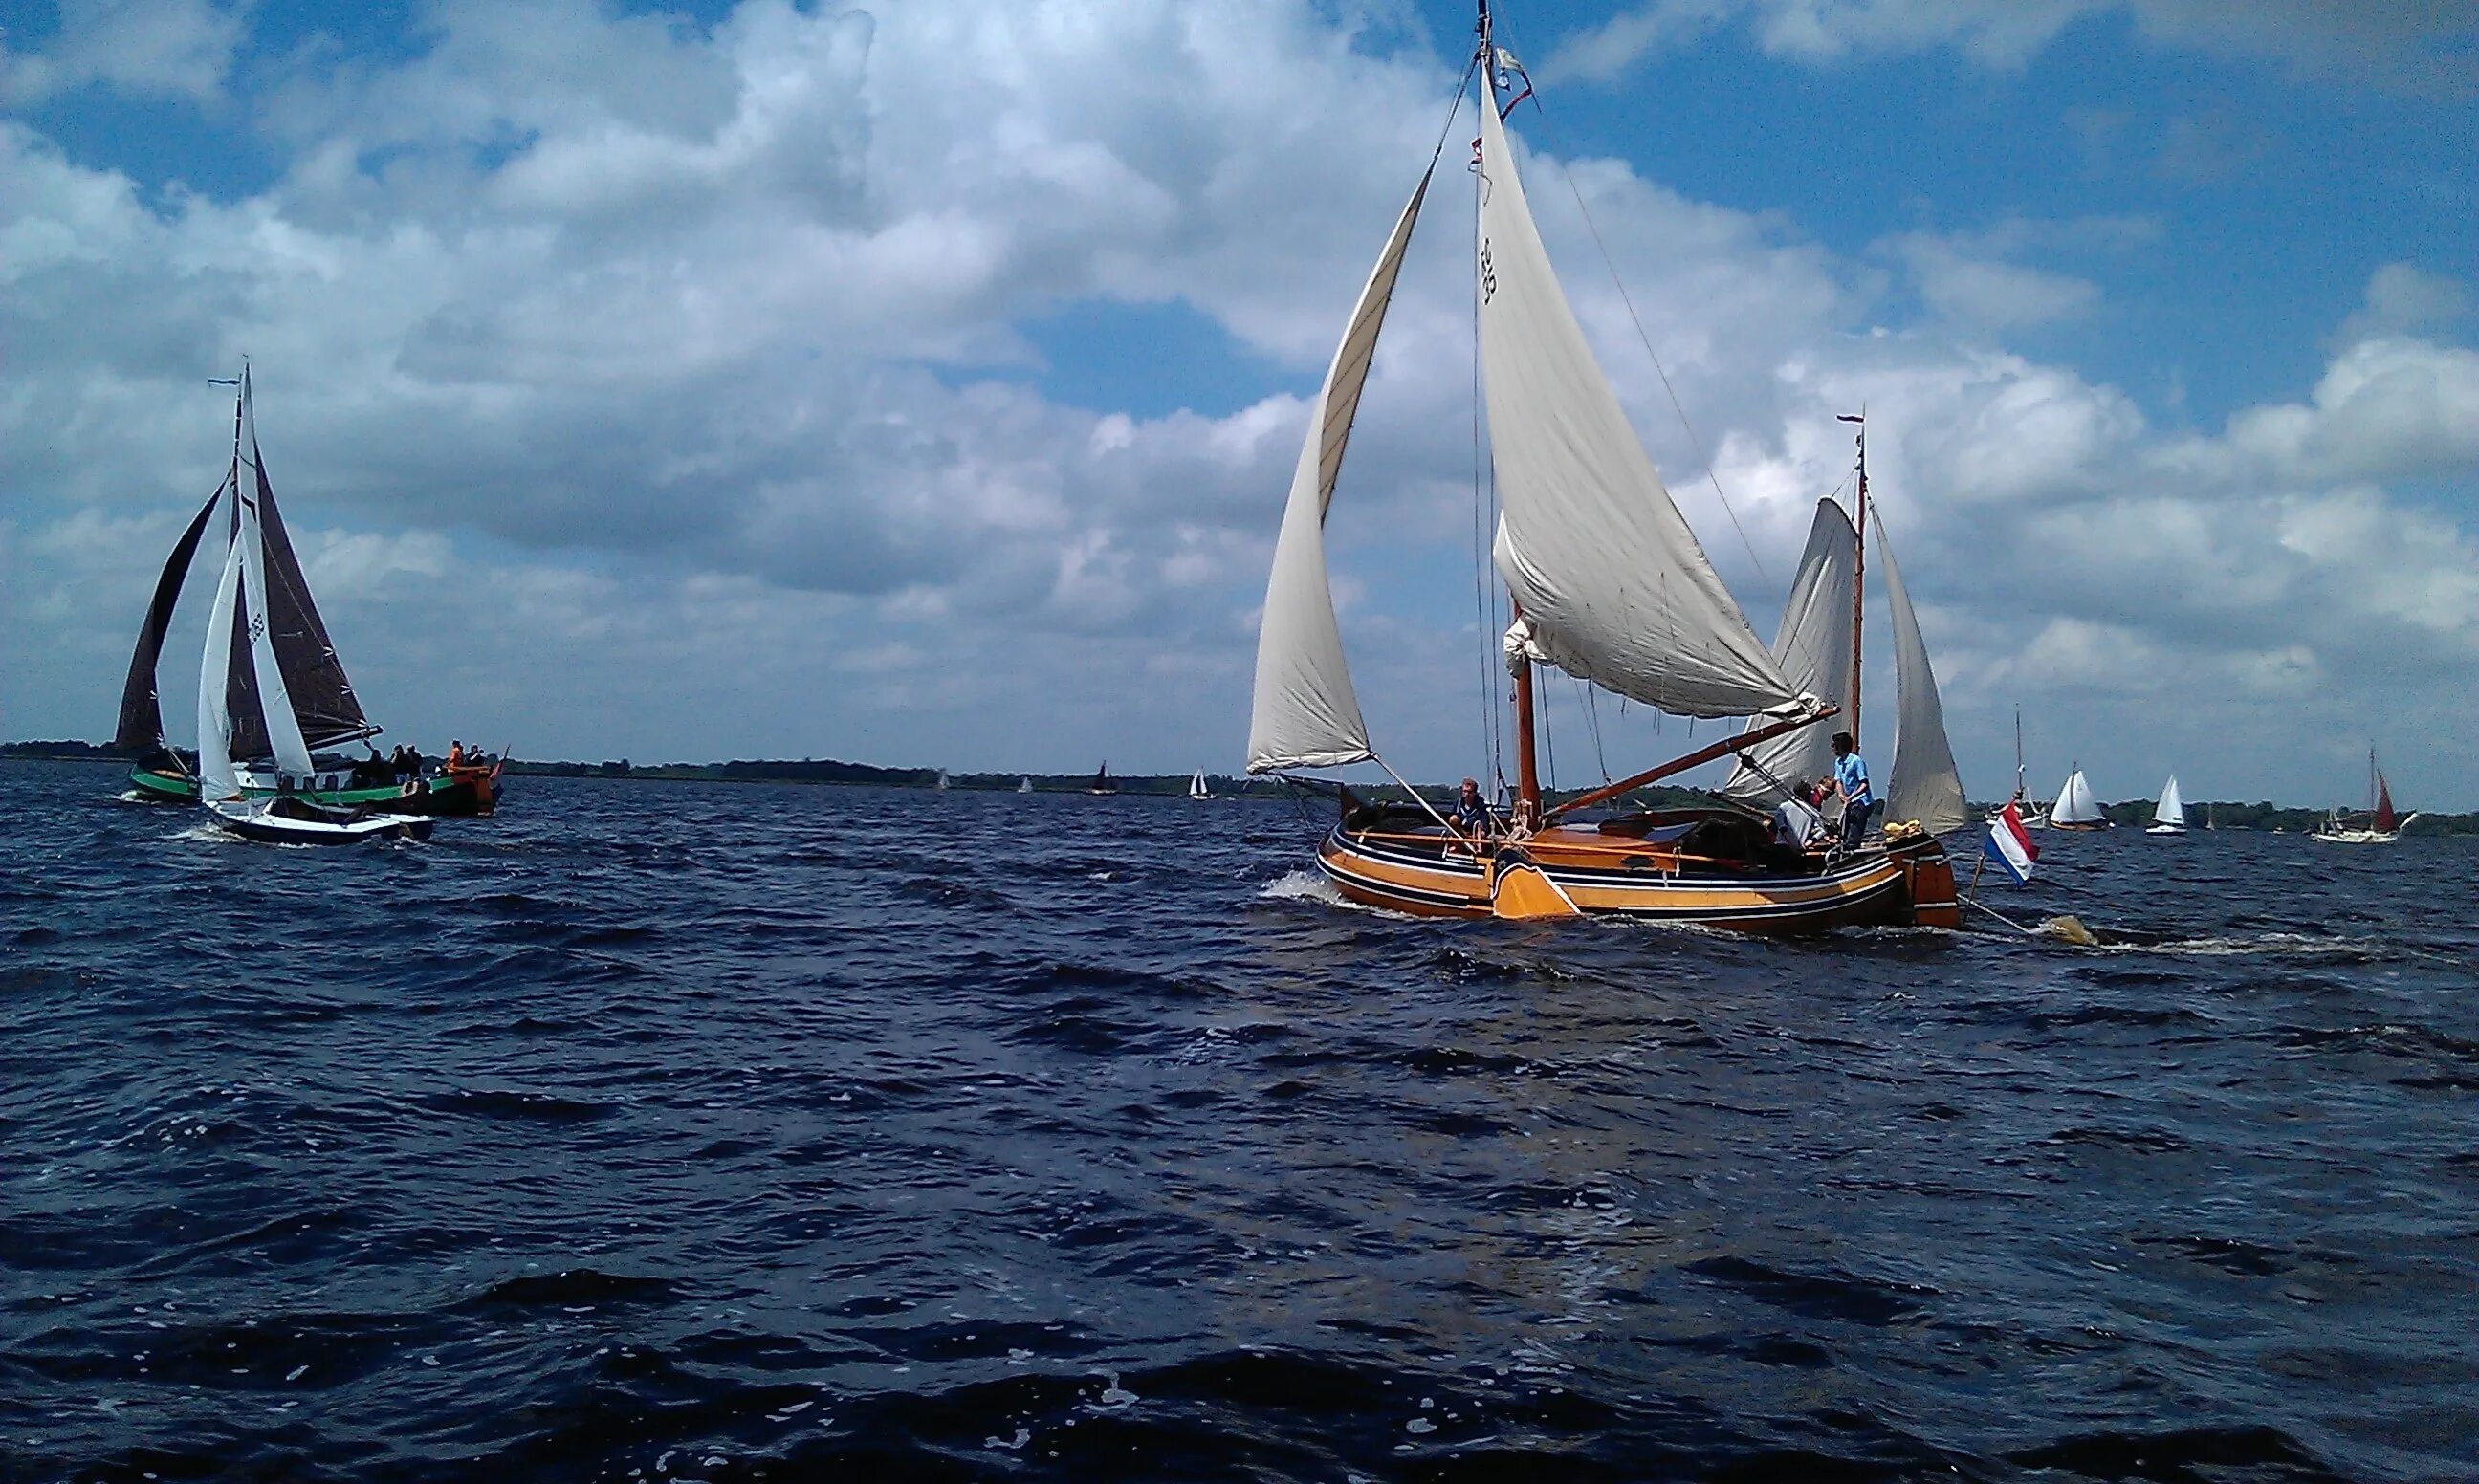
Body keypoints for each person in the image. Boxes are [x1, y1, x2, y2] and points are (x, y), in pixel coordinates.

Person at [1829, 731, 1875, 844]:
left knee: (1854, 831)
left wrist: (1851, 796)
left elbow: (1864, 783)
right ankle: (1846, 848)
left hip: (1861, 801)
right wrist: (1841, 795)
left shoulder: (1856, 761)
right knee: (1844, 831)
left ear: (1840, 746)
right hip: (1849, 802)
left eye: (1834, 745)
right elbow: (1838, 781)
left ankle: (1852, 849)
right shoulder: (1838, 762)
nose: (1832, 748)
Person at [1771, 780, 1825, 851]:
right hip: (1799, 850)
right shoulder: (1813, 812)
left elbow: (1782, 827)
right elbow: (1823, 830)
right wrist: (1807, 844)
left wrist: (1792, 844)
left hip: (1781, 846)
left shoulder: (1783, 807)